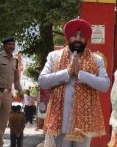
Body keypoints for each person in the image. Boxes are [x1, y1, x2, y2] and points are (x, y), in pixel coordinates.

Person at [38, 18, 110, 147]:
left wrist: (81, 74)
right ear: (67, 37)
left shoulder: (96, 60)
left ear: (86, 38)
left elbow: (105, 85)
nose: (77, 39)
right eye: (74, 35)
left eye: (81, 36)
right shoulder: (54, 56)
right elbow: (42, 81)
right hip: (60, 121)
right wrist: (67, 72)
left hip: (85, 122)